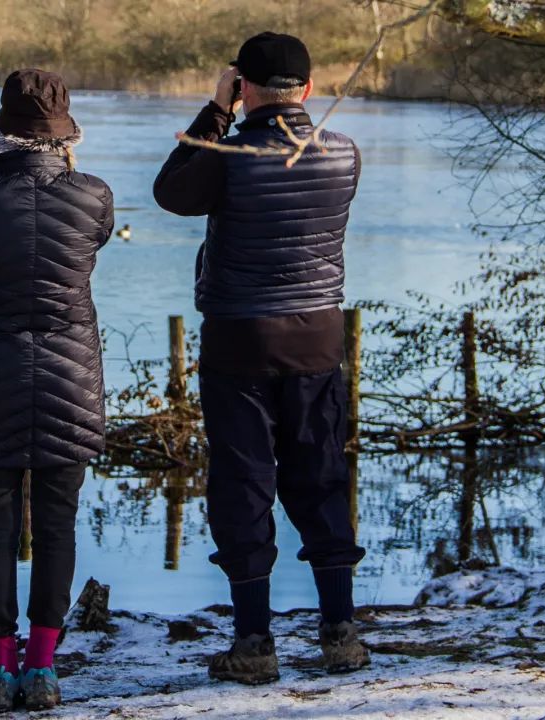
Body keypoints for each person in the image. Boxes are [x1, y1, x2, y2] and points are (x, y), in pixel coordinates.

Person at [153, 32, 369, 684]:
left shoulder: (228, 153)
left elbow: (170, 191)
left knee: (243, 487)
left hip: (240, 342)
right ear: (308, 89)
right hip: (317, 339)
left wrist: (214, 112)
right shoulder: (345, 155)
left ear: (241, 86)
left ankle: (254, 643)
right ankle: (341, 634)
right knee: (322, 477)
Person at [0, 68, 114, 713]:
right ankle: (42, 667)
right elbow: (88, 240)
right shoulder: (93, 194)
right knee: (59, 524)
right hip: (69, 377)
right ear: (65, 136)